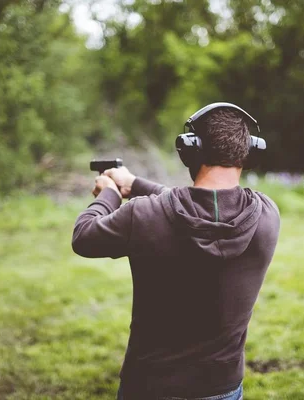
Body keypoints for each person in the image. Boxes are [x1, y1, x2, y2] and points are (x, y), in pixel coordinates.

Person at [71, 103, 280, 400]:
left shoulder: (142, 215)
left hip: (149, 386)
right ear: (249, 151)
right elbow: (187, 204)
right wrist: (136, 184)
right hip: (222, 387)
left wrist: (109, 194)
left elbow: (83, 236)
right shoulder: (267, 215)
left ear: (190, 150)